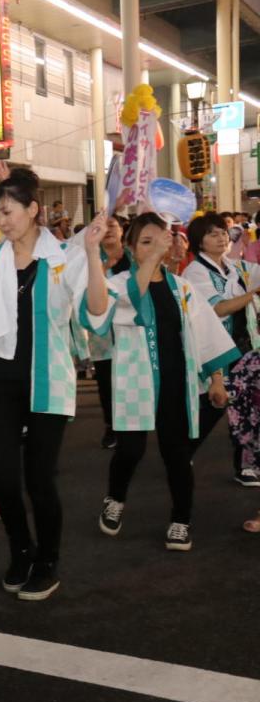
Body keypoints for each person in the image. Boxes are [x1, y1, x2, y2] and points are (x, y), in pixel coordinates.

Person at [0, 168, 110, 602]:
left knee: (41, 479)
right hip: (0, 383)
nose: (2, 220)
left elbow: (97, 310)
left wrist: (92, 252)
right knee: (5, 480)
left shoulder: (64, 256)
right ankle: (21, 550)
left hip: (49, 381)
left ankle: (47, 560)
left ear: (33, 210)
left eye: (8, 211)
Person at [88, 214, 236, 552]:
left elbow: (206, 335)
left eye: (159, 240)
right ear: (130, 248)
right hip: (133, 382)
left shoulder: (182, 288)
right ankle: (115, 498)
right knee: (130, 450)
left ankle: (181, 520)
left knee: (177, 455)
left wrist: (216, 380)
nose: (153, 247)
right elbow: (115, 311)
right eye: (145, 242)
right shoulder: (120, 285)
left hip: (175, 383)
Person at [182, 212, 260, 487]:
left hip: (243, 345)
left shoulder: (233, 266)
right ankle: (181, 452)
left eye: (223, 233)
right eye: (213, 234)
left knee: (244, 403)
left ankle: (245, 465)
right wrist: (252, 294)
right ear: (199, 242)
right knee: (215, 404)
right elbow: (217, 308)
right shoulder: (195, 272)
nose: (221, 237)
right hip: (216, 347)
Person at [91, 216, 131, 450]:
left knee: (131, 376)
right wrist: (104, 266)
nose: (108, 231)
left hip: (130, 327)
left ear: (122, 230)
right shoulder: (93, 257)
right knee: (107, 381)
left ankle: (132, 424)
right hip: (103, 333)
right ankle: (111, 425)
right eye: (102, 227)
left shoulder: (133, 256)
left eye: (112, 226)